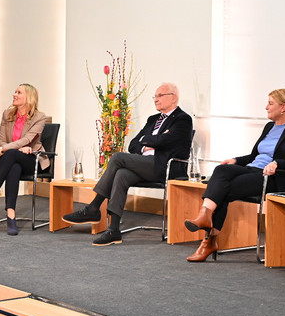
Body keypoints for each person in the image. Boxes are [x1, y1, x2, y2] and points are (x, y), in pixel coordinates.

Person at [184, 89, 285, 262]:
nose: (266, 107)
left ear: (283, 107)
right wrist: (235, 160)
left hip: (272, 178)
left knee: (222, 190)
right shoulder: (269, 127)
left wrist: (277, 163)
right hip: (252, 169)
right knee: (221, 170)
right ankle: (205, 221)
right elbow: (253, 156)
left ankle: (208, 238)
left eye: (270, 103)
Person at [62, 82, 193, 246]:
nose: (156, 100)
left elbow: (165, 141)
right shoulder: (153, 119)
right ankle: (114, 230)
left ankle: (94, 207)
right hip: (146, 164)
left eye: (160, 96)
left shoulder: (183, 119)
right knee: (122, 174)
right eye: (155, 96)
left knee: (117, 157)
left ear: (173, 98)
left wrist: (148, 141)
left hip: (165, 167)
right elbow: (133, 144)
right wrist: (151, 143)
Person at [0, 84, 48, 236]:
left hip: (32, 160)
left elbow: (27, 139)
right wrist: (7, 148)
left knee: (11, 156)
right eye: (15, 91)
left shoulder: (40, 117)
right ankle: (11, 215)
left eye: (19, 92)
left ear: (28, 98)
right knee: (14, 166)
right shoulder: (8, 114)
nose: (14, 94)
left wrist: (2, 150)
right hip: (14, 159)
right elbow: (1, 140)